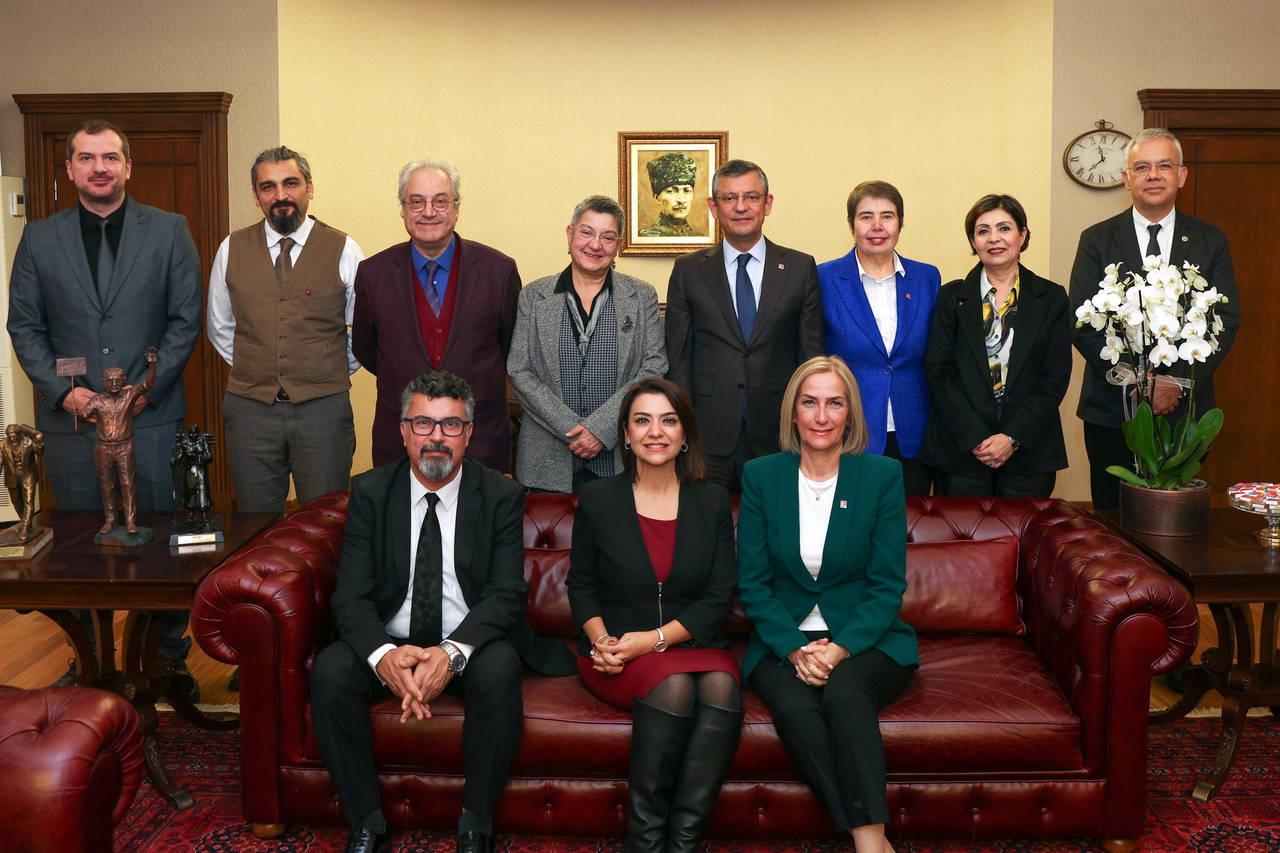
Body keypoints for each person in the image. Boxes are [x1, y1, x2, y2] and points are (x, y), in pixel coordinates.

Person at [310, 371, 573, 853]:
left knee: (500, 669)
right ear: (403, 431)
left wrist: (450, 654)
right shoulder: (371, 492)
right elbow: (350, 595)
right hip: (392, 637)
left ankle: (475, 825)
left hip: (470, 641)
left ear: (468, 433)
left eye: (451, 425)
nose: (436, 437)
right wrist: (384, 657)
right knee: (330, 671)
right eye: (423, 424)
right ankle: (367, 822)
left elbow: (505, 594)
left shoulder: (500, 495)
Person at [6, 118, 202, 679]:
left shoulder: (169, 230)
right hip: (72, 427)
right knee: (78, 548)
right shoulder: (39, 238)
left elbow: (184, 319)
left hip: (152, 418)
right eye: (87, 158)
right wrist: (66, 393)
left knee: (161, 542)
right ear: (70, 169)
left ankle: (164, 659)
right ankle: (91, 660)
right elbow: (25, 326)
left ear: (128, 167)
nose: (100, 168)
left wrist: (145, 389)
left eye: (110, 157)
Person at [736, 355, 916, 853]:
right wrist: (796, 649)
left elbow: (887, 585)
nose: (821, 416)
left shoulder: (881, 475)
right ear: (792, 412)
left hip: (864, 639)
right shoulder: (761, 475)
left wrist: (838, 650)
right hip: (784, 640)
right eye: (809, 403)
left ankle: (868, 844)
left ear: (850, 413)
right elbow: (754, 583)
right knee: (795, 711)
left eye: (834, 403)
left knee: (844, 694)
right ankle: (872, 840)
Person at [567, 376, 740, 853]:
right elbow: (581, 585)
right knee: (675, 686)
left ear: (685, 435)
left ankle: (683, 842)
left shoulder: (710, 499)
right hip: (615, 649)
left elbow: (718, 595)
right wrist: (602, 641)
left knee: (722, 686)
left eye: (669, 420)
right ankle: (644, 841)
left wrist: (655, 639)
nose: (655, 431)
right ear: (625, 434)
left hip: (692, 642)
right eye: (642, 421)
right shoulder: (599, 498)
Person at [1069, 128, 1240, 510]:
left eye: (1164, 166)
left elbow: (1225, 319)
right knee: (1112, 519)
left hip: (1185, 412)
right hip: (1112, 409)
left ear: (1181, 176)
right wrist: (1139, 381)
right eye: (1142, 167)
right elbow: (1081, 320)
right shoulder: (1096, 239)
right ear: (1127, 178)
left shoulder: (1210, 240)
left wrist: (1174, 380)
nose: (1153, 175)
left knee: (1173, 521)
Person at [207, 145, 363, 513]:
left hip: (323, 410)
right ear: (256, 196)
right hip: (250, 410)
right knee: (254, 519)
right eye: (268, 187)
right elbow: (219, 325)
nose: (281, 195)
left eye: (290, 183)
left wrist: (326, 367)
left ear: (310, 188)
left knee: (325, 517)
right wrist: (256, 364)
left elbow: (364, 329)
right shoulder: (231, 248)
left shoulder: (344, 248)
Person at [664, 158, 824, 492]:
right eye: (729, 198)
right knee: (706, 522)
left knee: (776, 522)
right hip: (707, 436)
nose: (741, 207)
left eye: (751, 197)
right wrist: (682, 428)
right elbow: (678, 359)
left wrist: (806, 424)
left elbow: (810, 358)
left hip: (779, 433)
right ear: (713, 207)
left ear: (768, 204)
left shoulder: (800, 268)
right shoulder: (688, 270)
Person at [353, 159, 521, 473]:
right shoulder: (372, 274)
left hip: (481, 439)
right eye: (416, 202)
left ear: (456, 208)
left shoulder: (499, 271)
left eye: (440, 201)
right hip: (399, 442)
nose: (428, 212)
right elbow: (367, 349)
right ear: (403, 209)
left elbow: (511, 348)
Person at [507, 196, 667, 493]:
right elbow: (519, 370)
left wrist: (602, 429)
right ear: (570, 235)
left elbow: (653, 368)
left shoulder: (641, 296)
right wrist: (572, 430)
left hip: (620, 457)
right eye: (587, 232)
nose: (595, 245)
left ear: (618, 245)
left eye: (607, 237)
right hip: (546, 458)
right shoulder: (534, 296)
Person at [920, 194, 1071, 498]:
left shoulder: (1051, 297)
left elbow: (1055, 377)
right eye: (983, 231)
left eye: (1004, 228)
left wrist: (1012, 437)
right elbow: (939, 372)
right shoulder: (951, 297)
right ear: (973, 241)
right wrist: (975, 437)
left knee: (1025, 530)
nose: (994, 238)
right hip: (962, 451)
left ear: (1022, 235)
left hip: (1029, 451)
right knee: (962, 530)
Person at [818, 181, 940, 496]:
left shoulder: (927, 278)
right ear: (851, 224)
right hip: (849, 429)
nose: (877, 226)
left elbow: (938, 354)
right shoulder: (823, 279)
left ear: (900, 223)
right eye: (866, 216)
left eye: (887, 216)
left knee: (910, 519)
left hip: (914, 430)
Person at [85, 348, 157, 535]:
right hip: (103, 447)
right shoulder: (97, 400)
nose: (114, 383)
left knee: (127, 483)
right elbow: (85, 413)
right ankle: (110, 519)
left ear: (124, 381)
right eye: (110, 380)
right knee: (106, 485)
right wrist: (81, 412)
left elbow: (148, 384)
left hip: (124, 446)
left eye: (118, 380)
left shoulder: (129, 394)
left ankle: (130, 520)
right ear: (103, 382)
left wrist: (152, 365)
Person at [638, 153, 701, 237]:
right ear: (657, 197)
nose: (681, 200)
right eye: (671, 191)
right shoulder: (646, 238)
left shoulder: (699, 238)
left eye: (687, 191)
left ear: (693, 195)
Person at [0, 423, 45, 542]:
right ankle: (26, 523)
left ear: (19, 434)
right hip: (12, 477)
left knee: (28, 501)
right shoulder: (2, 444)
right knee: (16, 502)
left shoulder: (29, 441)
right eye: (9, 435)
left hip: (28, 475)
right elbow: (0, 461)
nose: (12, 438)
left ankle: (25, 527)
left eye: (14, 435)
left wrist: (28, 429)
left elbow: (40, 452)